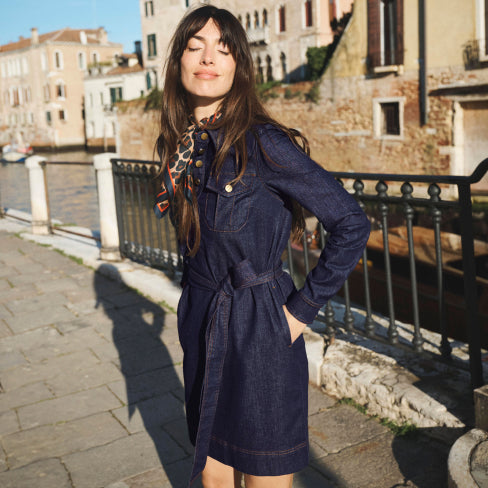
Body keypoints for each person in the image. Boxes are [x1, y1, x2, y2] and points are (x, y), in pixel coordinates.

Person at [154, 5, 370, 487]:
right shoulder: (183, 147)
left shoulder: (263, 142)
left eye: (223, 49)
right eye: (195, 47)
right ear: (178, 61)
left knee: (263, 479)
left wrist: (296, 315)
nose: (208, 58)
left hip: (260, 331)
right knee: (213, 476)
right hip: (202, 321)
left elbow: (351, 222)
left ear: (239, 65)